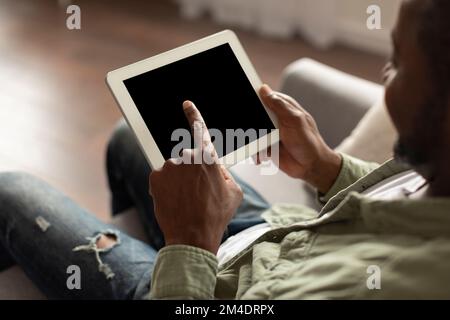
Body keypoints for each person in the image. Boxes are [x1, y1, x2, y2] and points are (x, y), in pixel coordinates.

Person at [0, 0, 449, 299]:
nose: (384, 72)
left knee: (11, 191)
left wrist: (189, 241)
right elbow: (390, 210)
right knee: (135, 136)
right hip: (280, 238)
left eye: (400, 62)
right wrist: (329, 169)